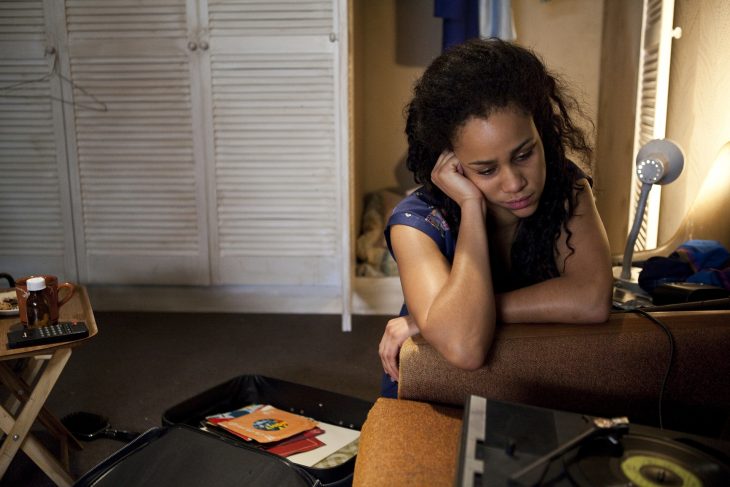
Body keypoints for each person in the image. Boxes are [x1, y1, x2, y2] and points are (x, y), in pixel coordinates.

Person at [378, 38, 613, 398]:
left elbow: (592, 298)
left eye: (524, 154)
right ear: (452, 166)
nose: (515, 183)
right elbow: (464, 345)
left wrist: (430, 321)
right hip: (436, 389)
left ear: (540, 130)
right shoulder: (416, 223)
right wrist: (471, 205)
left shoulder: (566, 186)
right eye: (486, 170)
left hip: (525, 384)